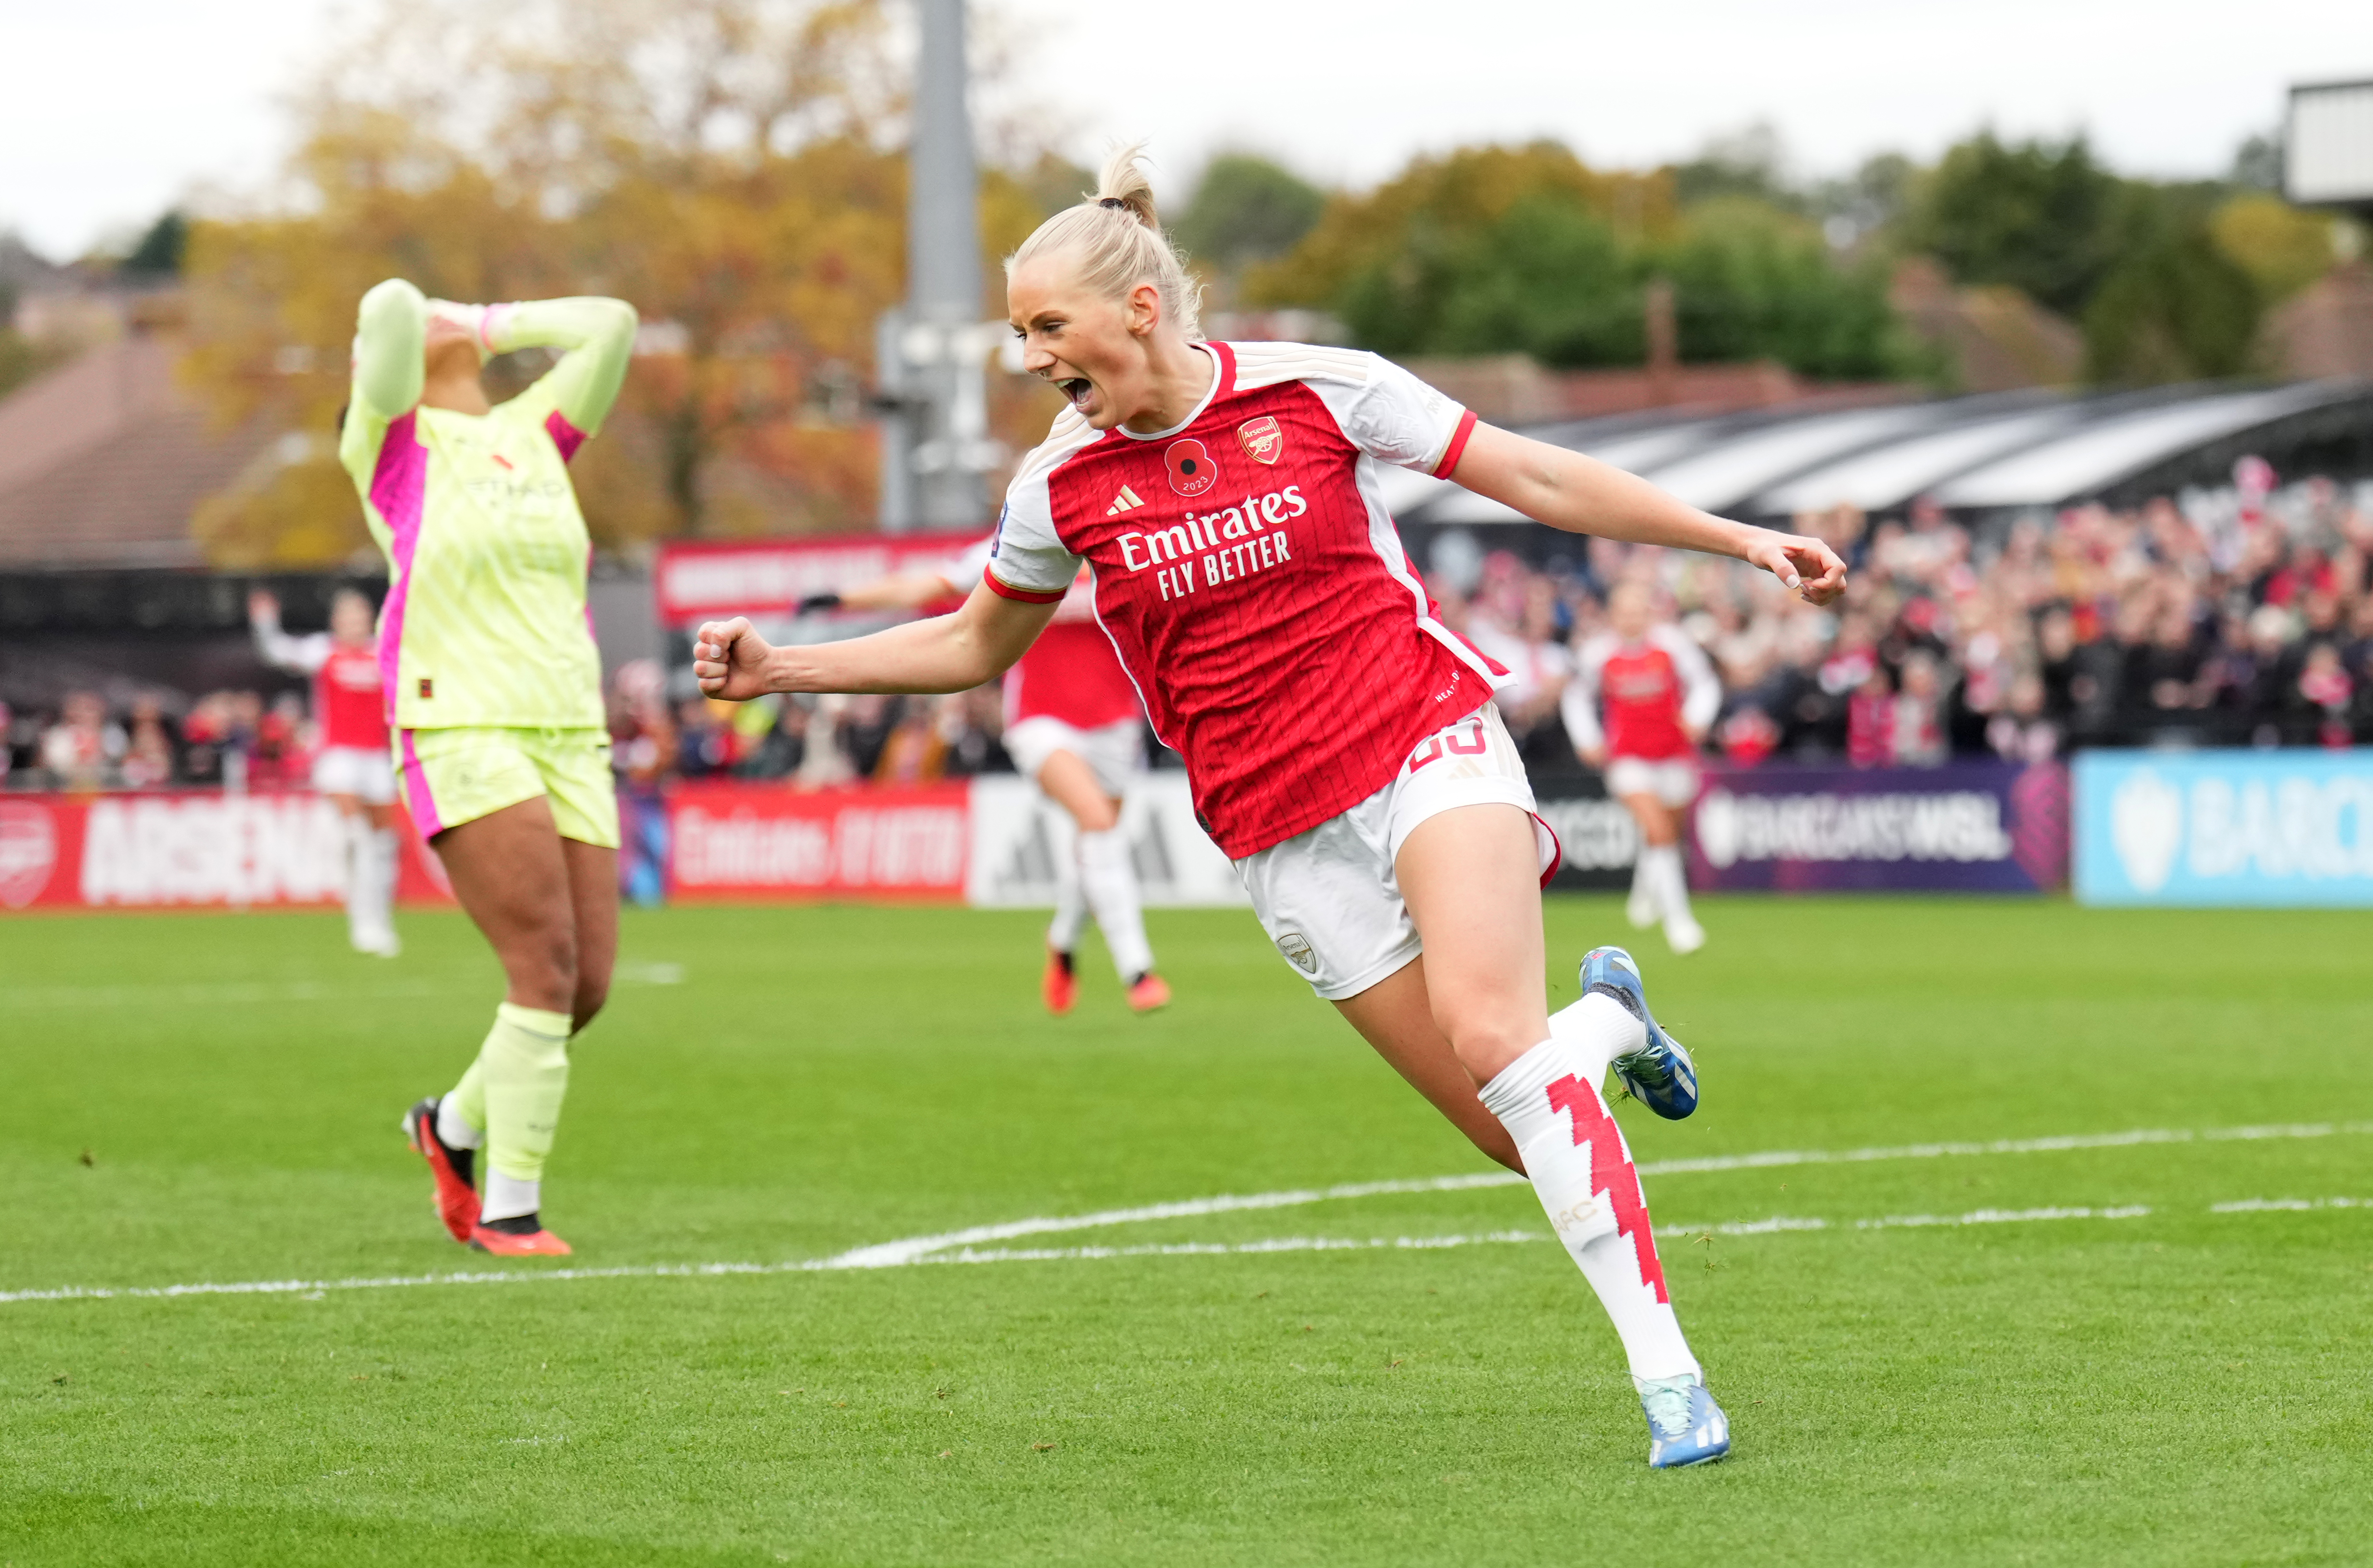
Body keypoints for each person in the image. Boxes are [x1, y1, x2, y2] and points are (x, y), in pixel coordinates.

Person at [692, 147, 1845, 1467]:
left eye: (1043, 327)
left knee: (1490, 1037)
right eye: (1016, 333)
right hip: (1275, 831)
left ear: (1136, 310)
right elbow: (970, 646)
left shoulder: (1319, 390)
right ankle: (1602, 1021)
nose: (1027, 358)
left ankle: (1670, 1384)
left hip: (1419, 736)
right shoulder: (1053, 488)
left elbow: (1529, 476)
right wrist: (784, 669)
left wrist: (1737, 538)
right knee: (1506, 1125)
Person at [339, 274, 637, 1258]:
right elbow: (385, 304)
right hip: (458, 722)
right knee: (542, 967)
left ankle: (450, 1126)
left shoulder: (533, 428)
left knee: (584, 984)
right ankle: (511, 1205)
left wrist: (486, 324)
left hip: (566, 726)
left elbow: (610, 326)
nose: (437, 316)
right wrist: (434, 317)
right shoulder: (389, 440)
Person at [808, 542, 1170, 1014]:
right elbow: (931, 582)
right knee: (1097, 823)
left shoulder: (1123, 538)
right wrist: (843, 598)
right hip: (1041, 720)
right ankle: (1137, 971)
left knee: (1096, 845)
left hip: (1115, 724)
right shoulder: (1026, 535)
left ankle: (1061, 941)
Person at [1566, 584, 1721, 955]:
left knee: (1666, 833)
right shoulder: (1597, 654)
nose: (1630, 619)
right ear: (1612, 615)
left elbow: (1705, 683)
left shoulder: (1673, 645)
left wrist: (1697, 718)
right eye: (1623, 612)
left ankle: (1643, 895)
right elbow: (1575, 698)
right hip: (1628, 759)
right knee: (1659, 830)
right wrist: (1586, 738)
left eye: (1637, 611)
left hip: (1673, 754)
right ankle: (1680, 923)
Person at [251, 588, 401, 955]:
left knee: (384, 845)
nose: (354, 624)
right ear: (337, 622)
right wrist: (265, 621)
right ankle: (361, 923)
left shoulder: (386, 651)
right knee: (355, 835)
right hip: (339, 756)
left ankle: (379, 920)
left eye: (361, 617)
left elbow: (422, 683)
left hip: (378, 758)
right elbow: (277, 651)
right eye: (348, 617)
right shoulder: (323, 650)